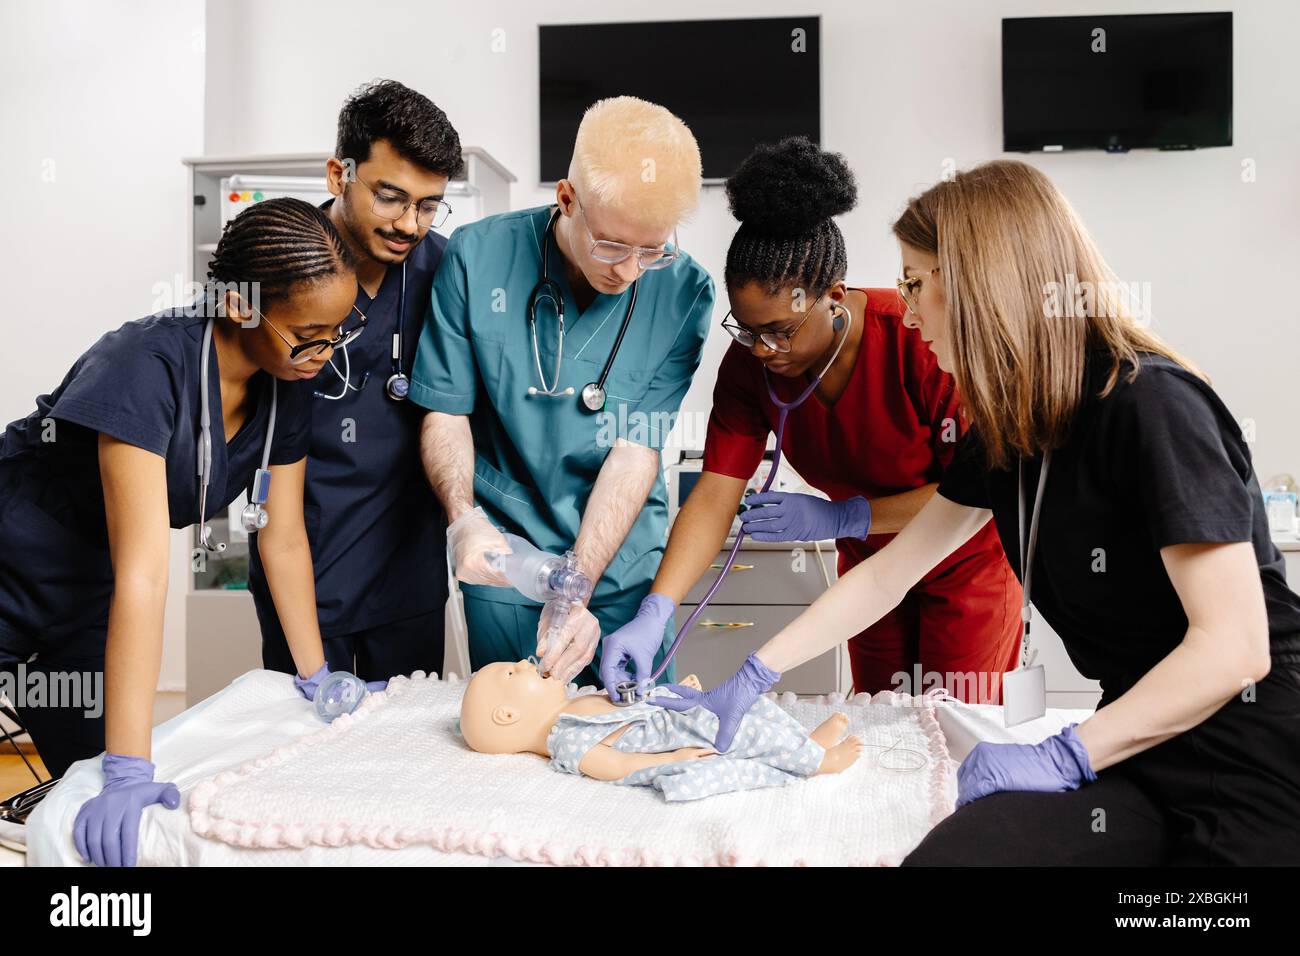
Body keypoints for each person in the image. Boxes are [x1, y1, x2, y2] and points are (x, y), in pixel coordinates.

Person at [661, 160, 1300, 865]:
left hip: (1254, 766)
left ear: (982, 285)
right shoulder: (1009, 431)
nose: (903, 310)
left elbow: (1236, 649)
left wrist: (1066, 754)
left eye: (915, 285)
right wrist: (752, 675)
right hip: (1140, 757)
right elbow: (884, 579)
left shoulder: (1153, 407)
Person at [0, 198, 357, 865]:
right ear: (238, 308)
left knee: (92, 796)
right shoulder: (145, 367)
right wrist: (132, 765)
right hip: (15, 557)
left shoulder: (290, 379)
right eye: (308, 332)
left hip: (88, 592)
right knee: (120, 769)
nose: (324, 352)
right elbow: (146, 571)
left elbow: (281, 538)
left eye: (336, 331)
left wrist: (318, 676)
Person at [601, 138, 1021, 703]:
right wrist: (658, 607)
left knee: (953, 724)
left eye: (782, 330)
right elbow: (715, 495)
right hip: (869, 566)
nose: (764, 350)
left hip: (962, 564)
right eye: (747, 330)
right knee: (878, 720)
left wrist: (845, 515)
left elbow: (982, 486)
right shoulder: (750, 368)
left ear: (834, 297)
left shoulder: (919, 339)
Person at [411, 96, 714, 686]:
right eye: (611, 245)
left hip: (622, 562)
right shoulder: (478, 257)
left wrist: (580, 584)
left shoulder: (683, 291)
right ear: (567, 198)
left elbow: (636, 450)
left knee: (632, 734)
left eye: (651, 250)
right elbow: (446, 411)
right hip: (508, 558)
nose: (628, 271)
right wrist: (463, 520)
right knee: (512, 740)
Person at [249, 80, 461, 684]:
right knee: (312, 755)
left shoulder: (443, 270)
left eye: (428, 204)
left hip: (408, 573)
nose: (409, 224)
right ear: (338, 175)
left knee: (406, 755)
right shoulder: (280, 263)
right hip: (305, 563)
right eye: (391, 198)